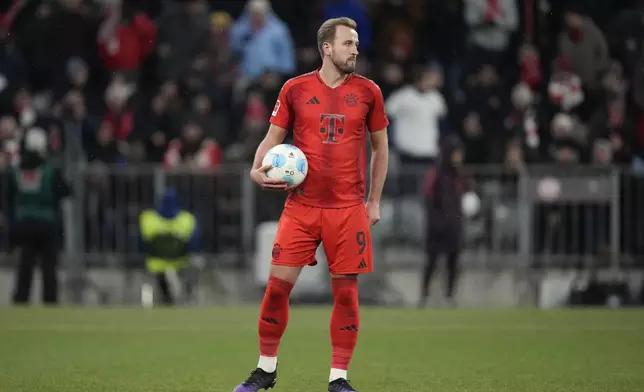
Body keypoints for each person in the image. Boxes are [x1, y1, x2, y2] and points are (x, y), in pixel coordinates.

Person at [233, 17, 389, 392]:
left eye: (355, 44)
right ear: (327, 48)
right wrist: (257, 170)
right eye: (348, 43)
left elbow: (381, 148)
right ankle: (265, 370)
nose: (355, 50)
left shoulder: (369, 92)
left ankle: (339, 378)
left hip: (348, 209)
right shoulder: (295, 89)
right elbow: (273, 137)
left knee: (347, 293)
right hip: (301, 207)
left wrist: (374, 201)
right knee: (276, 289)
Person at [1, 128, 71, 305]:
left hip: (23, 222)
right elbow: (65, 191)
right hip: (46, 221)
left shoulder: (16, 170)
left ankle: (21, 298)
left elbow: (7, 195)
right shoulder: (50, 169)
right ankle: (50, 299)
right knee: (49, 265)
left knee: (25, 263)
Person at [418, 137, 466, 308]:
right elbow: (427, 199)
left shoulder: (459, 176)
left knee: (453, 262)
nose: (459, 158)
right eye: (456, 154)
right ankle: (424, 296)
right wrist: (436, 221)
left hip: (454, 227)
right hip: (437, 228)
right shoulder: (435, 174)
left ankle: (449, 296)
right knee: (431, 262)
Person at [139, 188, 201, 305]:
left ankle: (151, 302)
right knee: (197, 263)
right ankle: (188, 298)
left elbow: (141, 244)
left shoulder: (148, 218)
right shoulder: (187, 219)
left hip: (155, 264)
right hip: (178, 263)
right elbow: (194, 245)